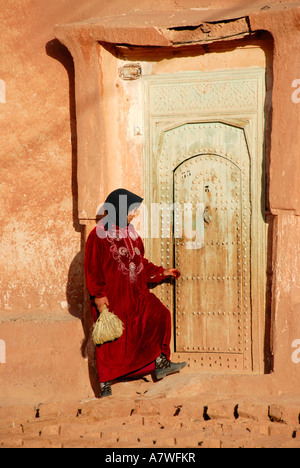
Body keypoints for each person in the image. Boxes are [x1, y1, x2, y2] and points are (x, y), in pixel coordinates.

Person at [84, 188, 187, 398]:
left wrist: (161, 272)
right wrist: (99, 296)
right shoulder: (98, 235)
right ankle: (104, 385)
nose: (134, 214)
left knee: (160, 314)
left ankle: (159, 361)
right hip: (112, 297)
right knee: (109, 342)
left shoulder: (132, 234)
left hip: (136, 293)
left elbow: (140, 263)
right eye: (131, 210)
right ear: (119, 209)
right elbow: (93, 268)